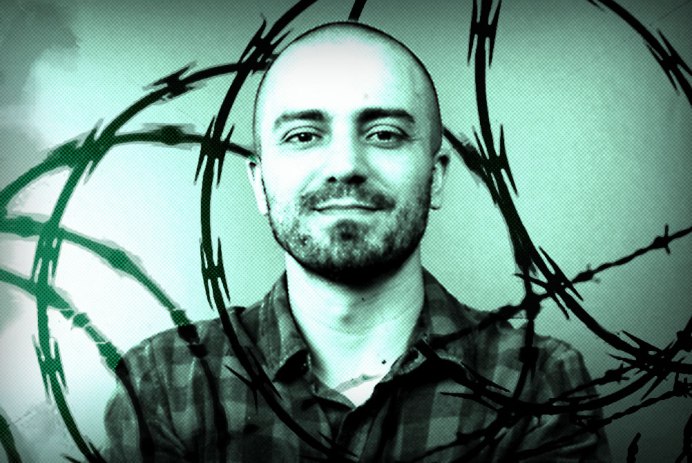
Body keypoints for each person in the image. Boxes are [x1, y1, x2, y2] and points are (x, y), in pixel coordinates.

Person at [103, 21, 611, 462]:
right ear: (259, 184)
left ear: (435, 178)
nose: (345, 165)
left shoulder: (538, 382)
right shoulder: (165, 383)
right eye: (304, 135)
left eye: (385, 134)